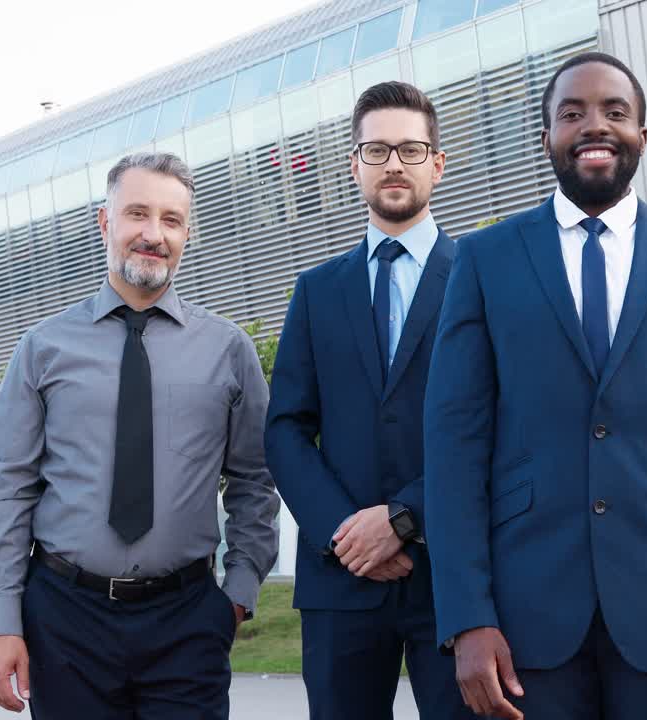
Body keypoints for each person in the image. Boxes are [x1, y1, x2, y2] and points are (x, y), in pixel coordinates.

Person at [423, 51, 647, 720]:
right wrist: (467, 618)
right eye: (572, 113)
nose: (594, 127)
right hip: (524, 623)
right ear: (545, 135)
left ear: (644, 132)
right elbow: (453, 447)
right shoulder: (484, 259)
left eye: (616, 112)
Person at [0, 152, 280, 717]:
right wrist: (0, 621)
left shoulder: (229, 350)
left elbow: (255, 481)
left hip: (188, 620)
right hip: (65, 620)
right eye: (137, 213)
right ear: (105, 222)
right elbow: (10, 489)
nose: (153, 234)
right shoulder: (42, 349)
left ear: (187, 233)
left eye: (171, 219)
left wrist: (236, 595)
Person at [265, 81, 469, 720]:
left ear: (437, 162)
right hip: (340, 579)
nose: (394, 165)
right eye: (376, 151)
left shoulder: (482, 279)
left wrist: (404, 519)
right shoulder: (315, 290)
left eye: (410, 150)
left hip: (456, 577)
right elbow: (285, 430)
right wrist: (343, 534)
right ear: (354, 165)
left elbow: (504, 427)